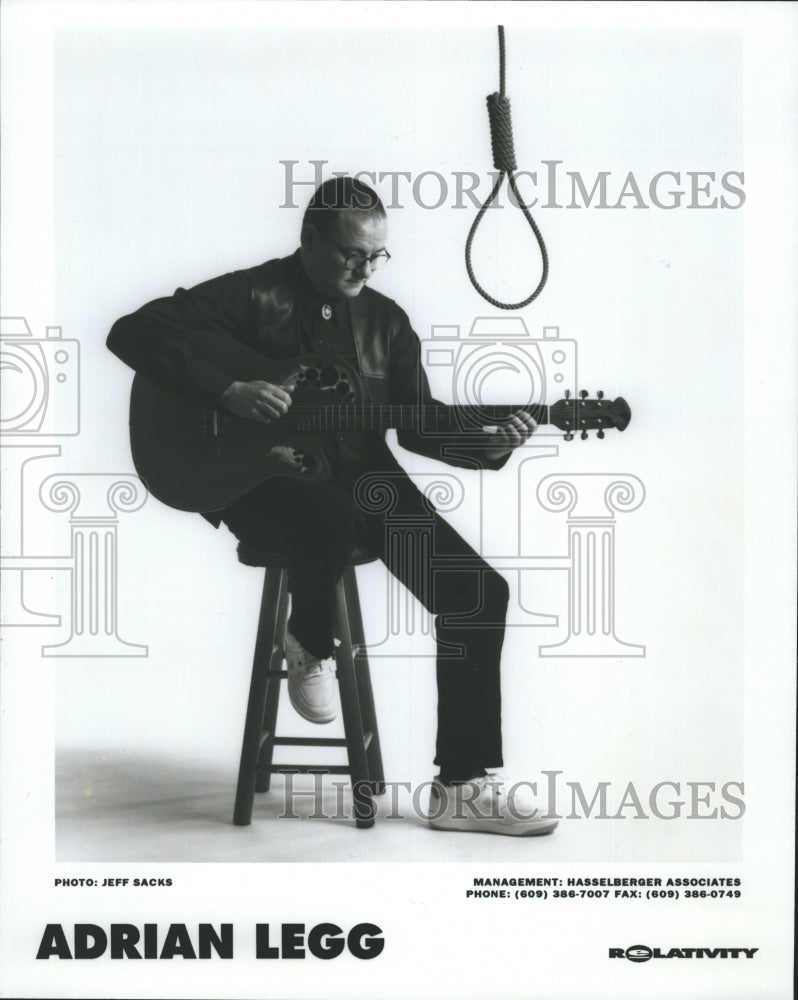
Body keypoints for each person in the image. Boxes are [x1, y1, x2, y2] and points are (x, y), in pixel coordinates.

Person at [107, 176, 557, 837]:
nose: (365, 268)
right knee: (326, 516)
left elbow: (421, 423)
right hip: (256, 477)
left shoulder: (387, 322)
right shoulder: (251, 293)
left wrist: (490, 446)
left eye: (378, 256)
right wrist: (226, 388)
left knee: (476, 593)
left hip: (362, 474)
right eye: (351, 254)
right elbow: (133, 331)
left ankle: (460, 786)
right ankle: (310, 640)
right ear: (310, 239)